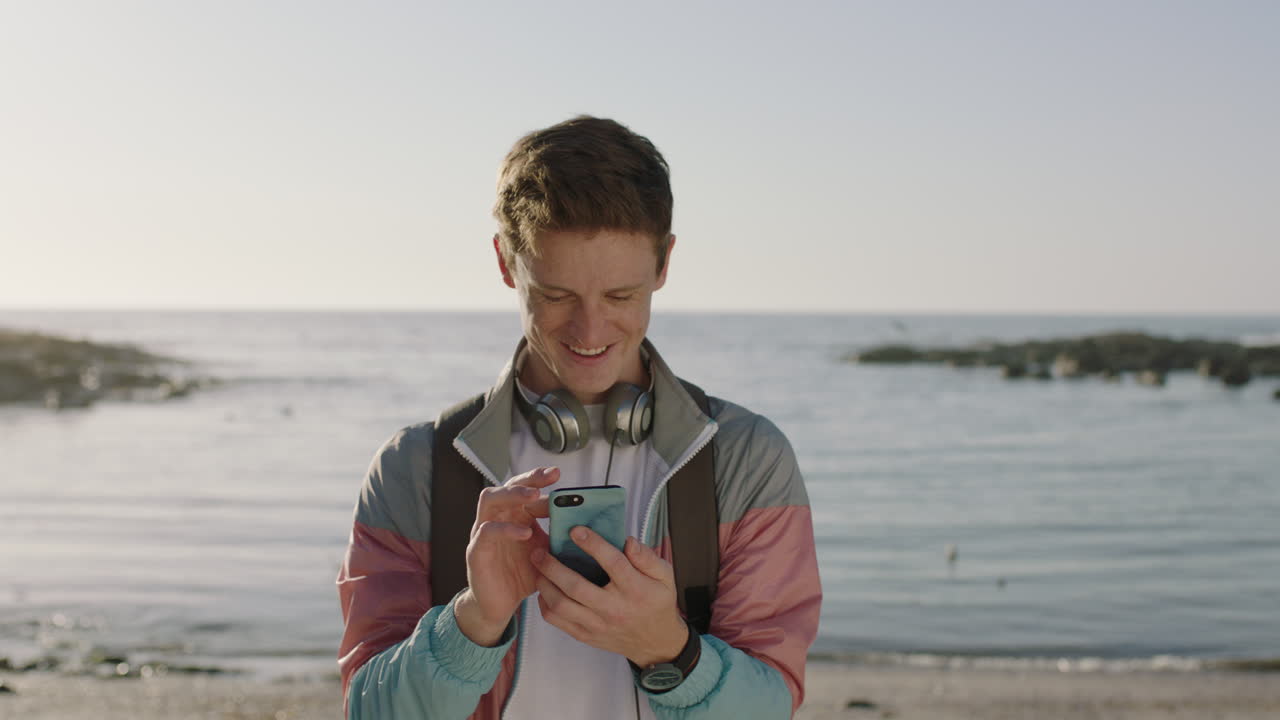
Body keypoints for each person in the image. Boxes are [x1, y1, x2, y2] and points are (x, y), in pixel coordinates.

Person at [336, 116, 822, 719]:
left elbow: (769, 709)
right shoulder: (413, 469)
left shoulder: (748, 460)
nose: (590, 332)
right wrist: (475, 622)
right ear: (506, 262)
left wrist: (666, 650)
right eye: (556, 295)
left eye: (620, 296)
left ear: (664, 263)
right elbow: (370, 712)